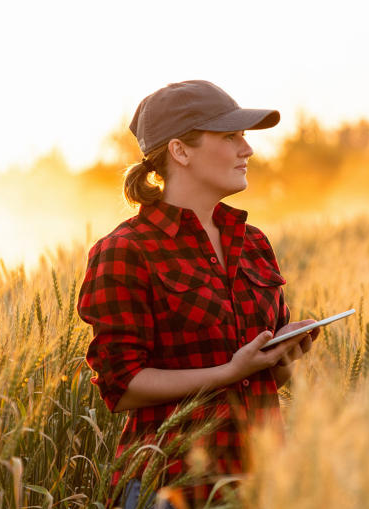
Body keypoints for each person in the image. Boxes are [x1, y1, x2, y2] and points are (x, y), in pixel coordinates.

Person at [76, 80, 320, 509]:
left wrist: (282, 357)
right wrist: (227, 372)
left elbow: (262, 381)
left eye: (244, 136)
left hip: (261, 483)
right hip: (171, 488)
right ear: (180, 151)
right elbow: (123, 386)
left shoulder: (254, 243)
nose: (248, 149)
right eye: (230, 136)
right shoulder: (126, 251)